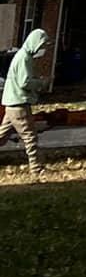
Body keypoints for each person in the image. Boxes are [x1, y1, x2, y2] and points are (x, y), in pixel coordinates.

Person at [1, 25, 51, 179]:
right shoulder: (24, 58)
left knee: (1, 137)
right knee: (30, 137)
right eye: (42, 45)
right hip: (19, 104)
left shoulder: (22, 56)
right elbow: (24, 82)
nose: (42, 49)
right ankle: (36, 169)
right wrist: (41, 83)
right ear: (35, 43)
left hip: (11, 102)